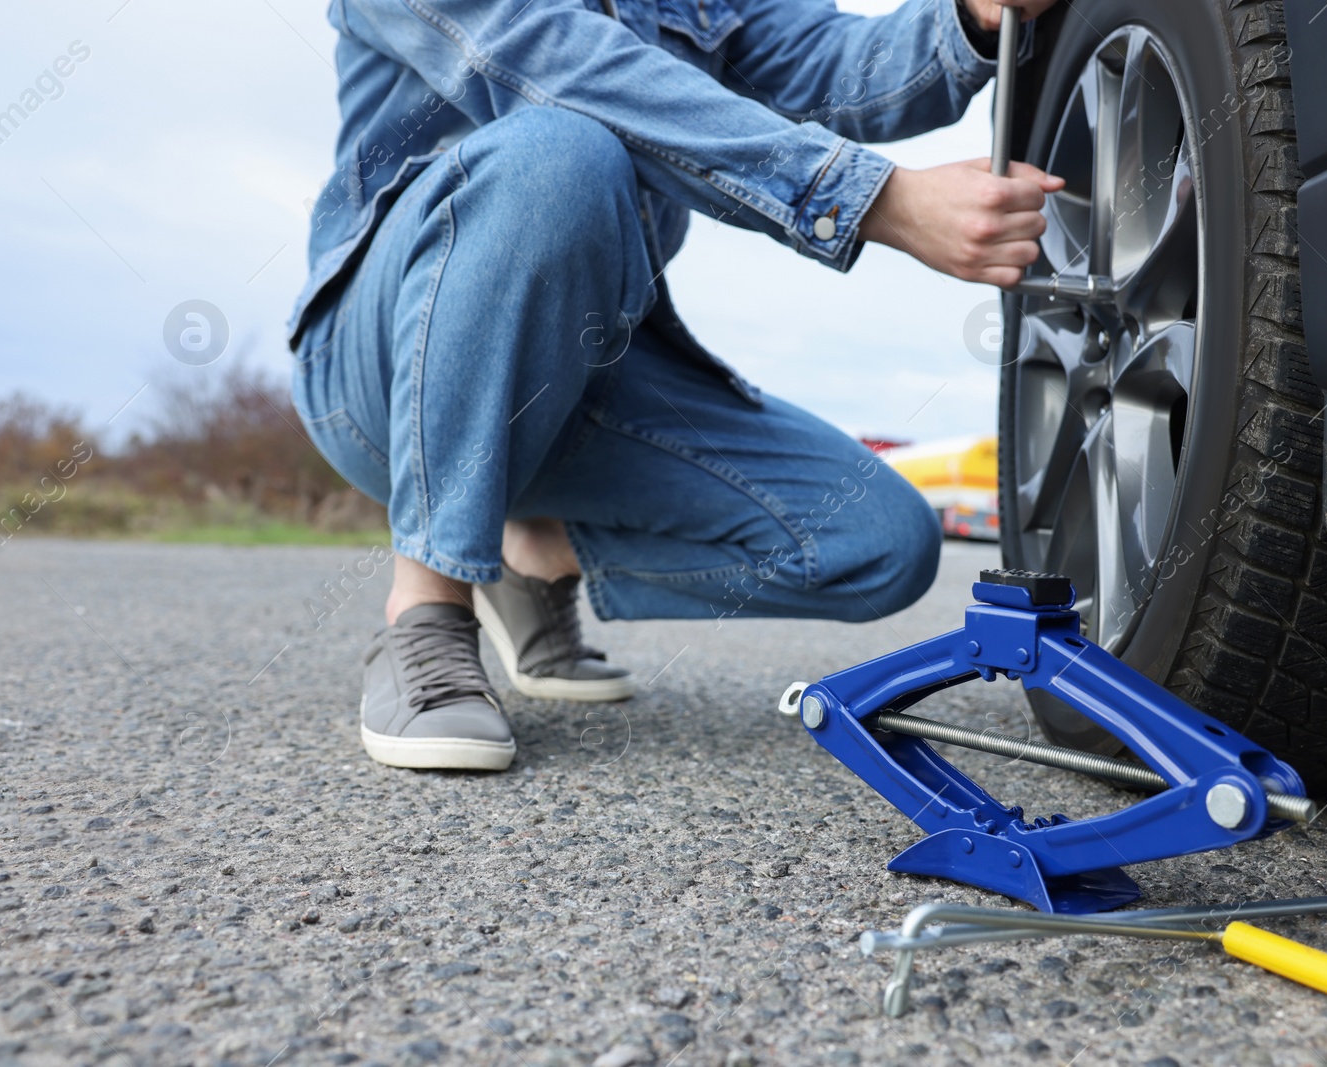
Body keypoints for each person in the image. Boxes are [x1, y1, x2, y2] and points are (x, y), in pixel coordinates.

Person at [288, 0, 1063, 772]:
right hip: (386, 371)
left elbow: (824, 64)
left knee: (877, 541)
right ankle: (428, 602)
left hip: (590, 370)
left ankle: (533, 558)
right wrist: (878, 201)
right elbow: (559, 67)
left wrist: (967, 18)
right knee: (559, 152)